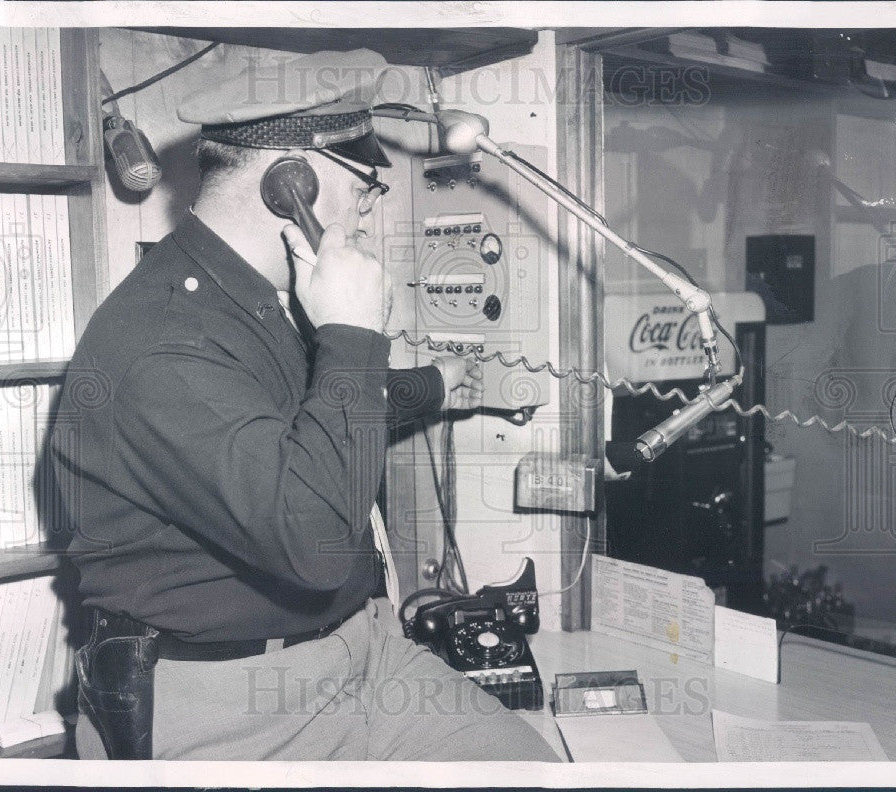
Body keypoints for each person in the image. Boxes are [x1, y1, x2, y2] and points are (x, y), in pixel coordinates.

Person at [51, 47, 561, 762]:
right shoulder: (159, 345)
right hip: (229, 698)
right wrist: (353, 333)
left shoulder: (255, 297)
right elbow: (314, 541)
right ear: (292, 180)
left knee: (533, 768)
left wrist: (435, 385)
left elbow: (308, 417)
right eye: (365, 185)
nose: (367, 207)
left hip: (363, 653)